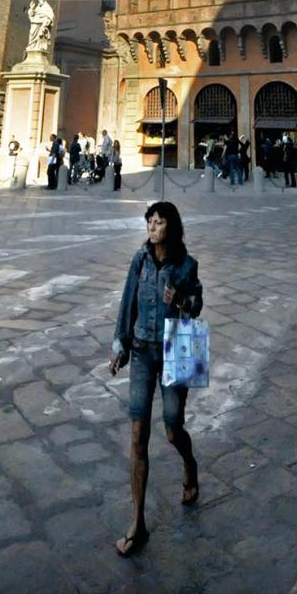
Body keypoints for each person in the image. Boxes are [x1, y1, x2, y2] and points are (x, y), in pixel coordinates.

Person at [109, 202, 203, 557]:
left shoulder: (186, 264)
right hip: (143, 352)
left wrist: (180, 298)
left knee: (172, 427)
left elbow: (197, 304)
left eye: (160, 221)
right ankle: (138, 521)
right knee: (137, 434)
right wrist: (120, 343)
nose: (153, 226)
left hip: (175, 350)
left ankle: (189, 465)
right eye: (150, 221)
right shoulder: (141, 259)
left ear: (171, 227)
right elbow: (127, 300)